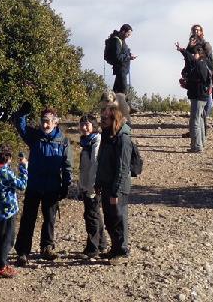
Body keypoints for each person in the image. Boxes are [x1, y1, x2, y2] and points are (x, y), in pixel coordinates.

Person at [13, 103, 72, 266]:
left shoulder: (63, 141)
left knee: (49, 219)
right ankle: (23, 252)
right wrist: (22, 114)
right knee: (28, 220)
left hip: (52, 186)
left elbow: (67, 166)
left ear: (55, 122)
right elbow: (20, 126)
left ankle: (47, 247)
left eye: (48, 121)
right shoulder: (34, 136)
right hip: (34, 185)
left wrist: (66, 185)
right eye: (43, 121)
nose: (45, 124)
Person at [0, 143, 29, 278]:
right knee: (7, 239)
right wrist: (23, 167)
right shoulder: (5, 172)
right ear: (7, 158)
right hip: (8, 208)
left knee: (1, 236)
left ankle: (1, 263)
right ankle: (1, 267)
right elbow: (22, 185)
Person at [95, 100, 132, 264]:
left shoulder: (123, 139)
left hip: (118, 187)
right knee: (110, 219)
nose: (102, 120)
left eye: (106, 118)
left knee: (119, 218)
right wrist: (98, 183)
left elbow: (122, 167)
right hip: (106, 184)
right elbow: (101, 161)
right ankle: (115, 249)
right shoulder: (106, 135)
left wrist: (116, 191)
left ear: (114, 118)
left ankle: (122, 250)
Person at [180, 24, 213, 138]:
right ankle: (196, 131)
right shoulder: (190, 44)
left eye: (198, 30)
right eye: (194, 30)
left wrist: (211, 72)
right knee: (196, 103)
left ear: (201, 31)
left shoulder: (206, 44)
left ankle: (201, 129)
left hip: (205, 74)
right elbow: (188, 59)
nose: (196, 31)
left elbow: (212, 60)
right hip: (193, 75)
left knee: (206, 99)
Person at [77, 113, 106, 259]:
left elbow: (94, 164)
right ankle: (101, 243)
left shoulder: (96, 142)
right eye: (82, 124)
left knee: (91, 216)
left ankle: (93, 247)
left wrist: (91, 186)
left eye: (87, 124)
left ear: (94, 126)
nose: (84, 127)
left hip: (93, 186)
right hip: (87, 185)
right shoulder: (86, 142)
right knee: (94, 214)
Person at [176, 41, 212, 152]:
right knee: (200, 119)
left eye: (194, 53)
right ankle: (201, 143)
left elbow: (200, 81)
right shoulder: (205, 63)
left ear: (199, 53)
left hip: (198, 96)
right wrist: (182, 50)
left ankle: (197, 147)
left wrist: (187, 83)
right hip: (203, 95)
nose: (192, 55)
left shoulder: (200, 64)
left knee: (194, 121)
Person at [105, 24, 137, 94]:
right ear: (123, 31)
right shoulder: (116, 41)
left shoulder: (121, 40)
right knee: (123, 94)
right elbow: (117, 57)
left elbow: (122, 53)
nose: (129, 36)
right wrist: (129, 57)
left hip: (122, 71)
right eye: (128, 34)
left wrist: (129, 54)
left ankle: (112, 104)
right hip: (121, 71)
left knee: (116, 93)